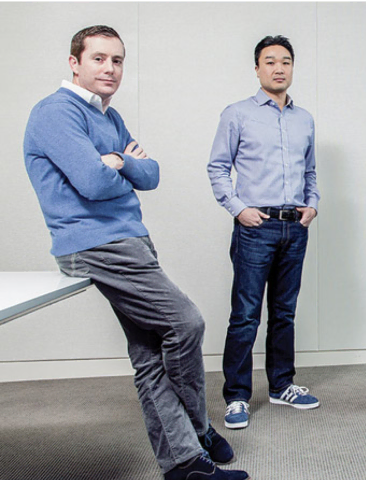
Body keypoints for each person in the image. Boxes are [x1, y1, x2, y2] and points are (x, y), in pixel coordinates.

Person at [22, 25, 249, 480]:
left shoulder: (109, 116)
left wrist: (121, 162)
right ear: (74, 62)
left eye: (118, 60)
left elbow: (151, 174)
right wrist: (117, 166)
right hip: (95, 244)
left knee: (148, 354)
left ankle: (183, 463)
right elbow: (91, 182)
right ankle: (198, 429)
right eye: (99, 59)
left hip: (128, 239)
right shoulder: (55, 112)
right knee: (186, 322)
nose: (110, 68)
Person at [208, 35, 320, 430]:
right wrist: (239, 210)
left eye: (286, 61)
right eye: (270, 61)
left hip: (295, 228)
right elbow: (217, 168)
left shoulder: (304, 118)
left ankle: (282, 385)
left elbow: (310, 171)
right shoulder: (237, 114)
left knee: (285, 313)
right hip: (256, 229)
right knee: (245, 315)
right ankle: (237, 396)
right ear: (257, 68)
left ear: (293, 67)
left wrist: (312, 205)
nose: (278, 68)